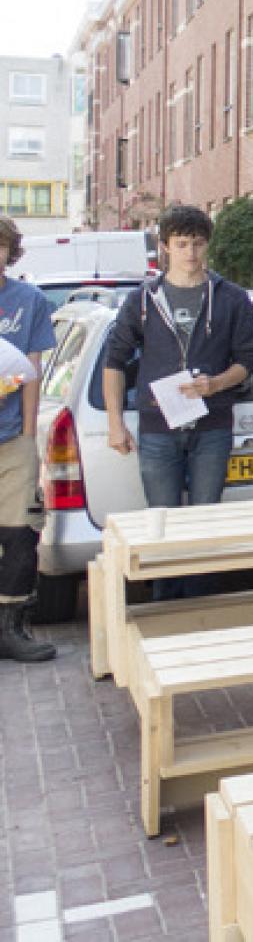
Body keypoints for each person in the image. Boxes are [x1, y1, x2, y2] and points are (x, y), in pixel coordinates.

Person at [101, 203, 253, 599]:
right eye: (182, 243)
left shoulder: (231, 298)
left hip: (212, 426)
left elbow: (248, 361)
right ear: (166, 247)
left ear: (208, 246)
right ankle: (164, 604)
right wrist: (115, 423)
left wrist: (217, 383)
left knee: (206, 519)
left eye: (198, 244)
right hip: (158, 426)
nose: (191, 253)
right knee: (162, 520)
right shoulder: (143, 299)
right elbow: (114, 361)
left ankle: (199, 605)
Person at [0, 215, 56, 663]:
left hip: (12, 437)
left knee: (20, 535)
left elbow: (32, 372)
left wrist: (27, 431)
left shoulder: (29, 300)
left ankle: (13, 628)